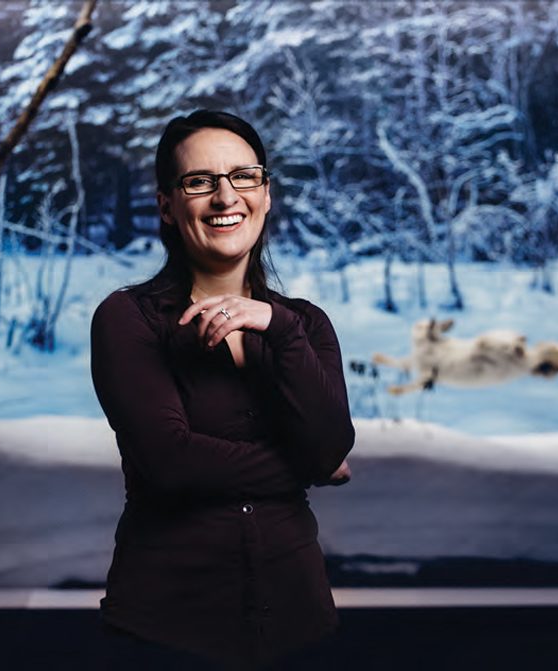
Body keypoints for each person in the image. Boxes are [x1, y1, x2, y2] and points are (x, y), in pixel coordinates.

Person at [89, 109, 355, 670]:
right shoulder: (128, 318)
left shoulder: (304, 326)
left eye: (244, 176)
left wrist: (276, 328)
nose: (225, 196)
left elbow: (330, 440)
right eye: (199, 181)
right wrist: (308, 467)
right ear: (166, 205)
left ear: (266, 194)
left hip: (300, 626)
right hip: (164, 633)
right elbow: (170, 462)